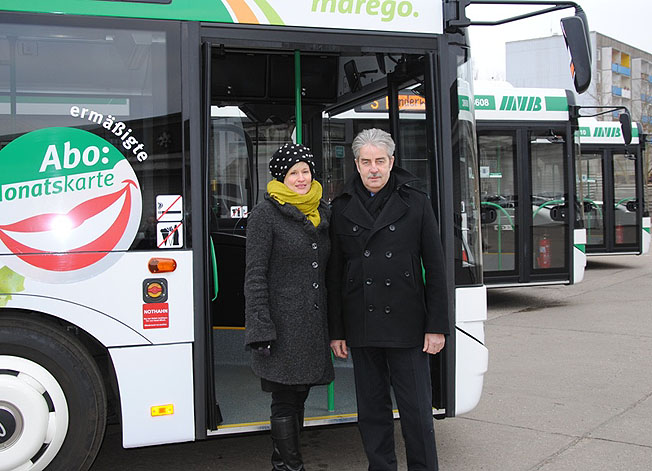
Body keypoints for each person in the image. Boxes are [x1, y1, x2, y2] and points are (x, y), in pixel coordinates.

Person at [327, 128, 449, 471]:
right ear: (356, 164)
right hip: (362, 326)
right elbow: (334, 275)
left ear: (392, 161)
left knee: (417, 413)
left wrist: (436, 326)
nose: (374, 168)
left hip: (408, 325)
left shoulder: (416, 201)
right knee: (372, 411)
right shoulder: (342, 206)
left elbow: (436, 268)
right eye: (366, 162)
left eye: (380, 161)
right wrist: (337, 331)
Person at [245, 143, 334, 471]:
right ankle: (289, 468)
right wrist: (260, 327)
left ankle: (282, 463)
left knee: (299, 396)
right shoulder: (264, 215)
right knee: (284, 399)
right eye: (294, 172)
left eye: (306, 171)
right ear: (281, 176)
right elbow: (254, 277)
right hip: (281, 327)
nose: (301, 178)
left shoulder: (322, 210)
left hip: (311, 327)